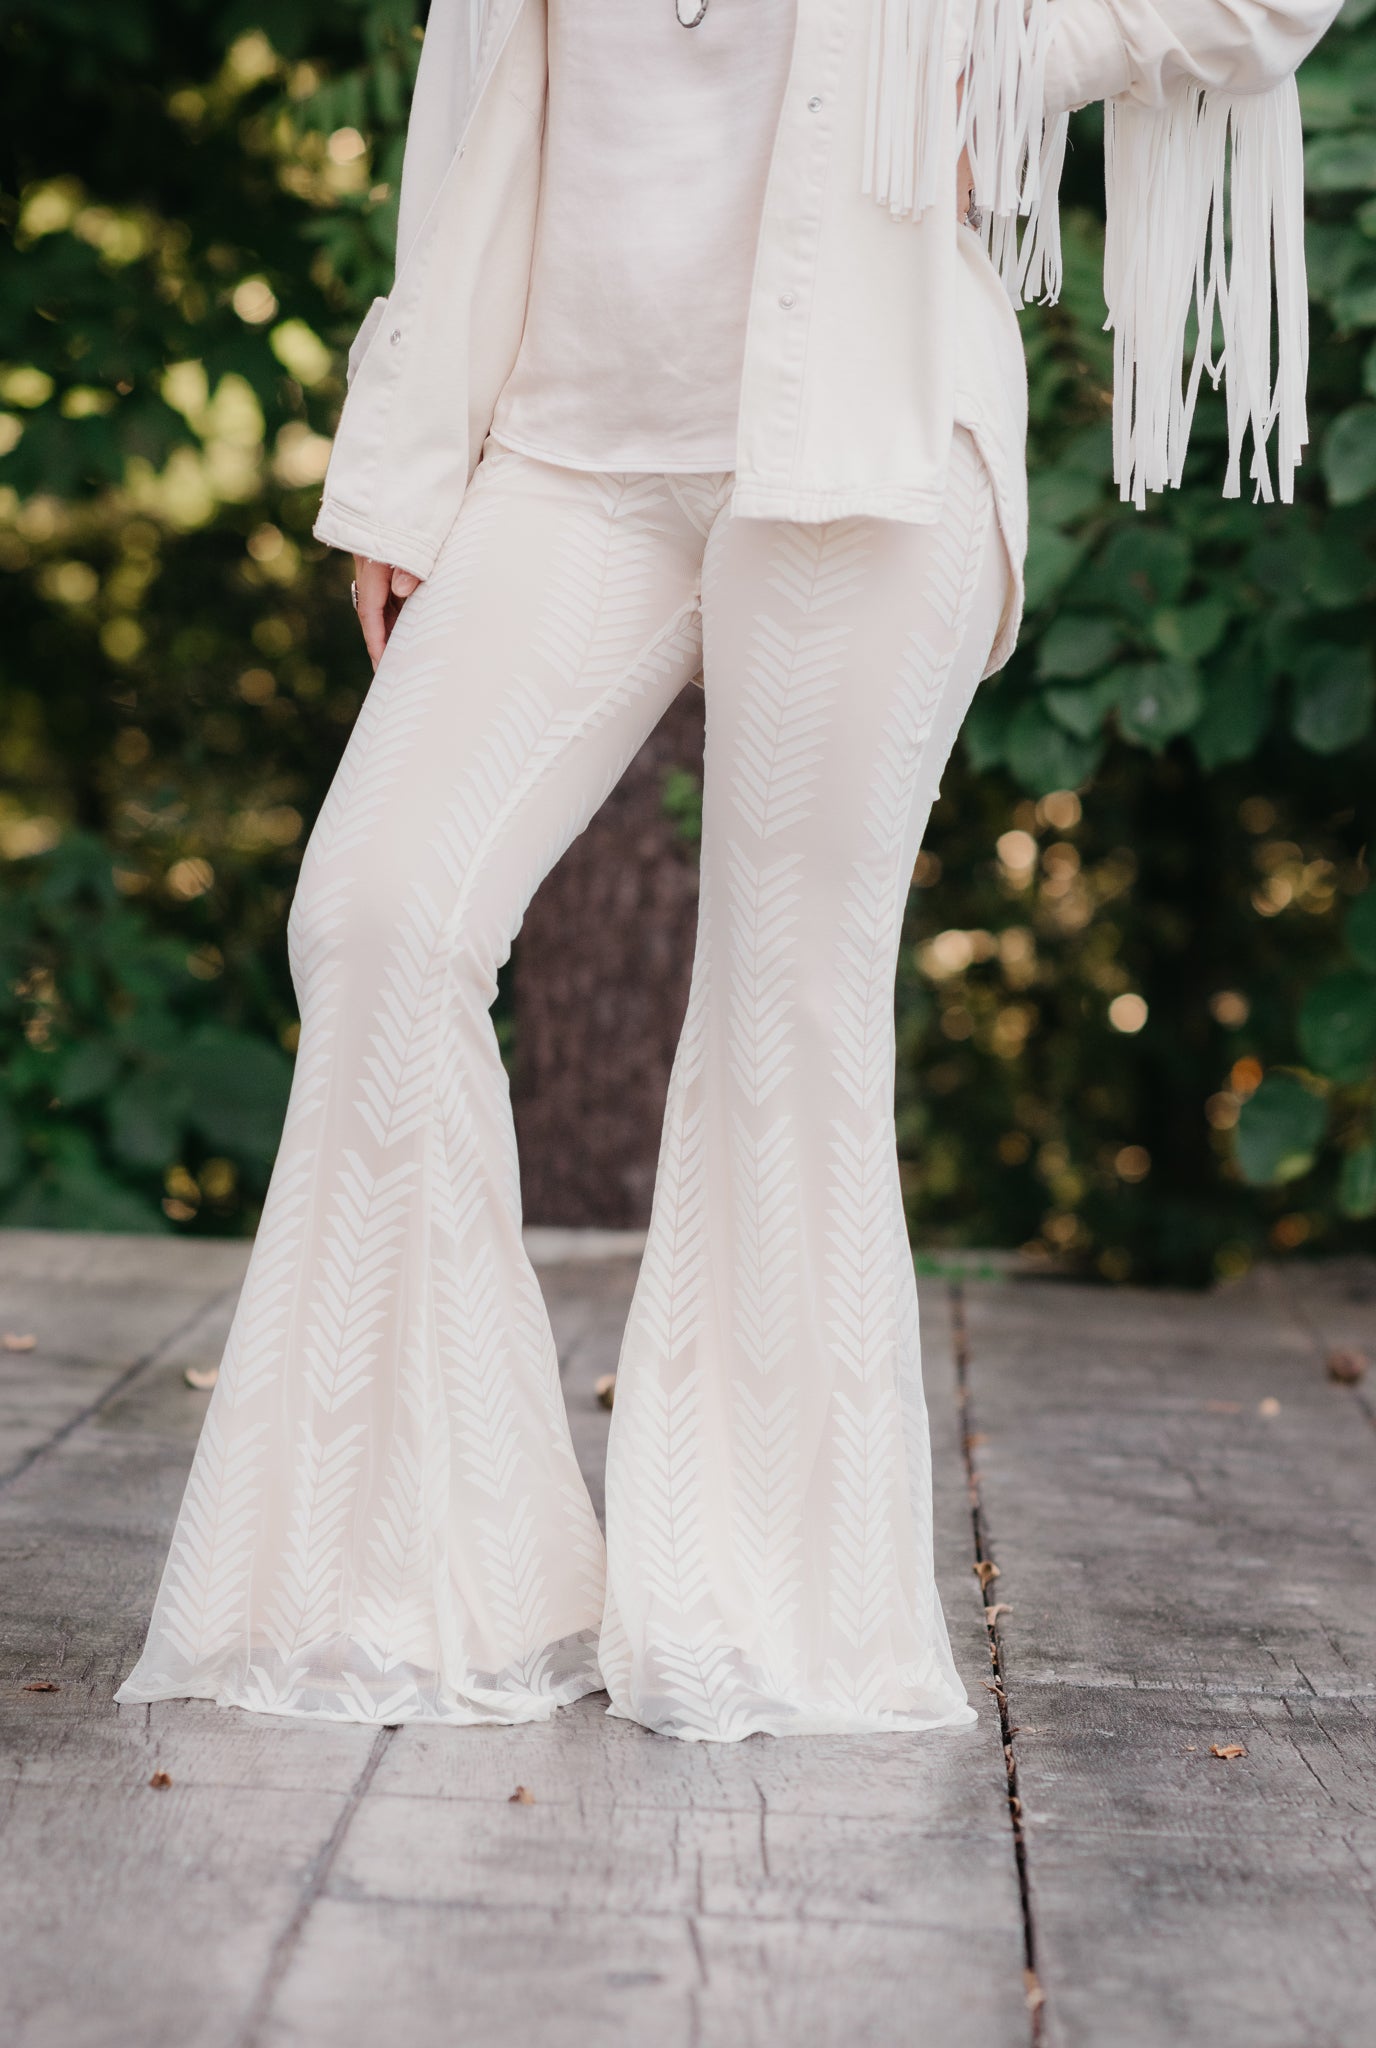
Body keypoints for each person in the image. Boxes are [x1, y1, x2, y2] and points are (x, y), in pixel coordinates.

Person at [116, 0, 1340, 1740]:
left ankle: (756, 1606)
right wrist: (407, 468)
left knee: (785, 1012)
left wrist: (1008, 58)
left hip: (867, 444)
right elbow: (467, 130)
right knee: (379, 914)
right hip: (562, 458)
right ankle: (427, 1579)